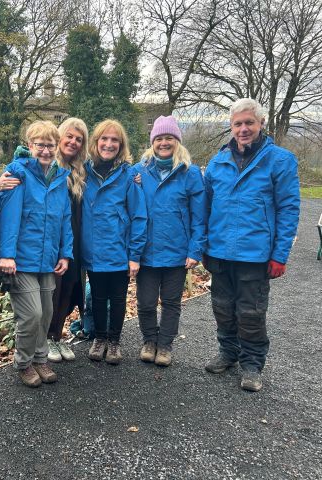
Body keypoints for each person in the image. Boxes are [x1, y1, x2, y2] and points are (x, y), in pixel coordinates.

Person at [203, 98, 300, 392]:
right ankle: (228, 352)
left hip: (255, 254)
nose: (243, 129)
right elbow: (205, 208)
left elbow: (288, 209)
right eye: (238, 124)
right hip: (219, 250)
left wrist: (280, 254)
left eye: (249, 123)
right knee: (222, 307)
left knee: (252, 312)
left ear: (260, 124)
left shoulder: (280, 161)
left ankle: (252, 364)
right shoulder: (217, 163)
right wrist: (203, 246)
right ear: (230, 127)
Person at [0, 118, 88, 362]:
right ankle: (23, 362)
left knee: (47, 313)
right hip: (23, 259)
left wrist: (65, 254)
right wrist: (6, 255)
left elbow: (65, 221)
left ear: (56, 146)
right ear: (30, 144)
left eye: (50, 145)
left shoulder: (60, 178)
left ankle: (40, 359)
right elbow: (9, 217)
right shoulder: (18, 174)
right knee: (32, 315)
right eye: (40, 145)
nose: (45, 151)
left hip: (48, 259)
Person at [132, 115, 207, 367]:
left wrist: (195, 250)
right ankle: (149, 341)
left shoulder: (191, 173)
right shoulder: (139, 171)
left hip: (177, 252)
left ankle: (165, 345)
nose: (164, 143)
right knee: (145, 302)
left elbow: (199, 216)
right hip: (147, 251)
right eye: (159, 138)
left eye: (169, 138)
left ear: (177, 141)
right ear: (152, 141)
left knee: (172, 302)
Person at [82, 119, 147, 365]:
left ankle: (114, 341)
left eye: (114, 140)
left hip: (119, 250)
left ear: (121, 145)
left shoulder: (129, 176)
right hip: (93, 249)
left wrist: (135, 255)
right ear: (96, 142)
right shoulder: (83, 172)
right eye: (104, 139)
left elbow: (139, 216)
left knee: (119, 298)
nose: (109, 144)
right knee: (97, 296)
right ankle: (99, 338)